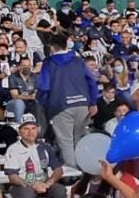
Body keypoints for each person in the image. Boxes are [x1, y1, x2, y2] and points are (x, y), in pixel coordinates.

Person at [38, 31, 99, 170]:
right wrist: (93, 102)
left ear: (52, 47)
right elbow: (91, 82)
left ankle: (73, 176)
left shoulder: (49, 63)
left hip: (61, 105)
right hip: (83, 104)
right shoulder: (79, 61)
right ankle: (84, 171)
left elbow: (44, 86)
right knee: (78, 140)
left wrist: (43, 103)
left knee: (66, 142)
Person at [3, 117, 68, 198]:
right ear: (19, 131)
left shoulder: (46, 147)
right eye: (26, 129)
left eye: (33, 128)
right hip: (21, 187)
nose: (30, 132)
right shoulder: (13, 149)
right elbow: (13, 177)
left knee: (60, 190)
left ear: (38, 130)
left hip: (44, 185)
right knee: (27, 192)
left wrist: (47, 184)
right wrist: (33, 185)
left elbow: (58, 170)